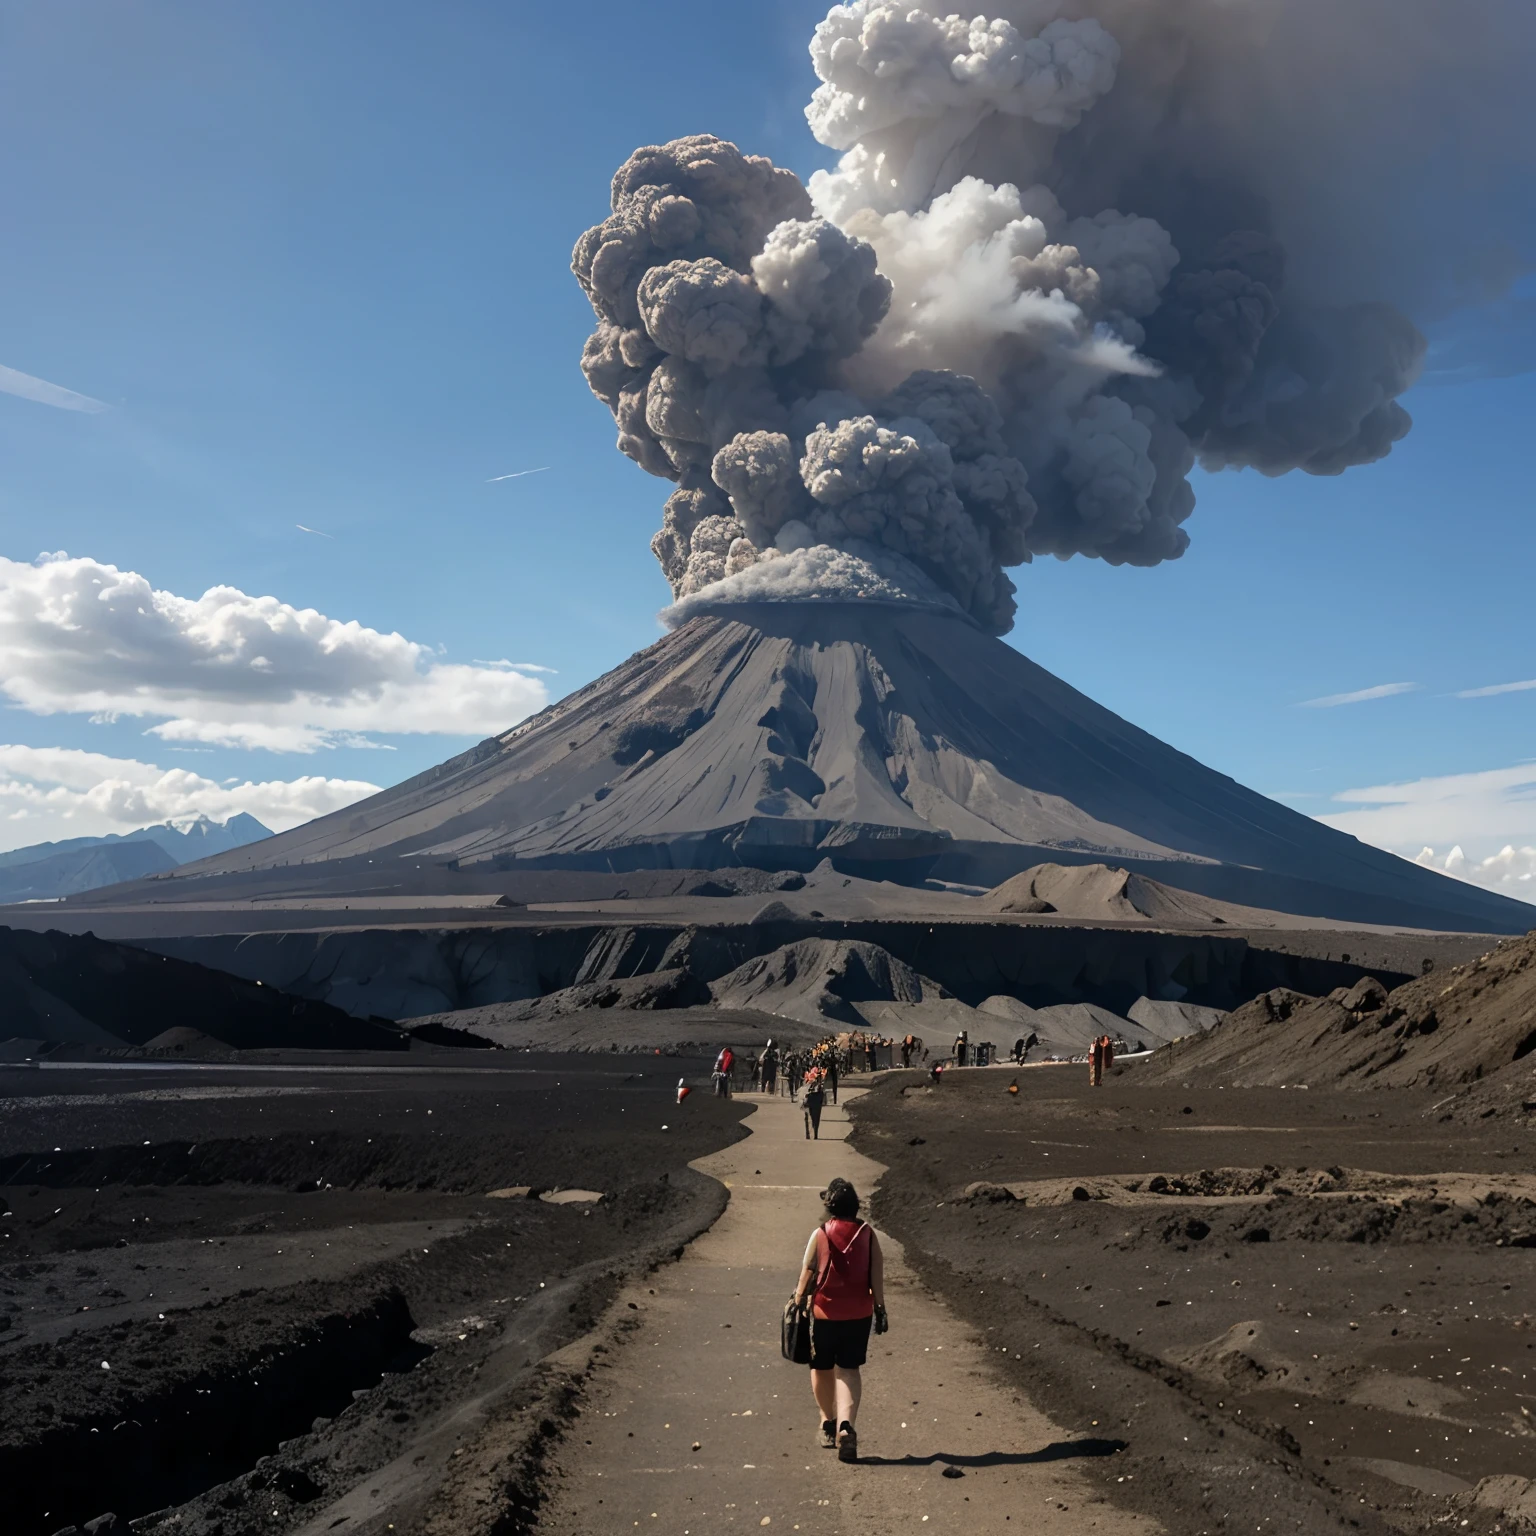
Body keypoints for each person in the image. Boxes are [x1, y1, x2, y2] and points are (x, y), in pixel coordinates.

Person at [791, 1178, 886, 1462]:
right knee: (849, 1369)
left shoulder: (821, 1233)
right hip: (859, 1313)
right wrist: (880, 1307)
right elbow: (876, 1273)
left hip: (823, 1313)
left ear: (830, 1206)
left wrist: (798, 1300)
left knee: (821, 1367)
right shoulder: (868, 1234)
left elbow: (808, 1271)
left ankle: (827, 1421)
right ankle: (847, 1427)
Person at [803, 1071, 825, 1140]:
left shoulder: (819, 1085)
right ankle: (812, 1133)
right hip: (814, 1101)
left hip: (814, 1101)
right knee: (814, 1118)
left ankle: (813, 1133)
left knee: (813, 1118)